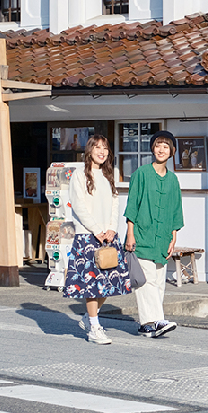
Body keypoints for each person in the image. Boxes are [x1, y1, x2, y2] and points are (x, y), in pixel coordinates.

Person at [63, 133, 133, 345]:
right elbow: (79, 206)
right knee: (92, 285)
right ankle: (94, 327)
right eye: (98, 148)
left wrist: (112, 228)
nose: (102, 152)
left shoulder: (108, 174)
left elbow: (115, 203)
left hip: (108, 237)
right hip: (88, 237)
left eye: (105, 148)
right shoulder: (79, 175)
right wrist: (96, 230)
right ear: (90, 151)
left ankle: (88, 318)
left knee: (109, 284)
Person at [123, 130, 183, 337]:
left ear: (171, 151)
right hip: (142, 235)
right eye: (158, 145)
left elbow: (176, 210)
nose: (161, 149)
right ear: (152, 148)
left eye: (166, 146)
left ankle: (147, 324)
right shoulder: (141, 174)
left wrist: (173, 236)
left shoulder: (173, 180)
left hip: (163, 237)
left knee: (158, 282)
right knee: (146, 280)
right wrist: (130, 234)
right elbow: (132, 205)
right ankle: (157, 321)